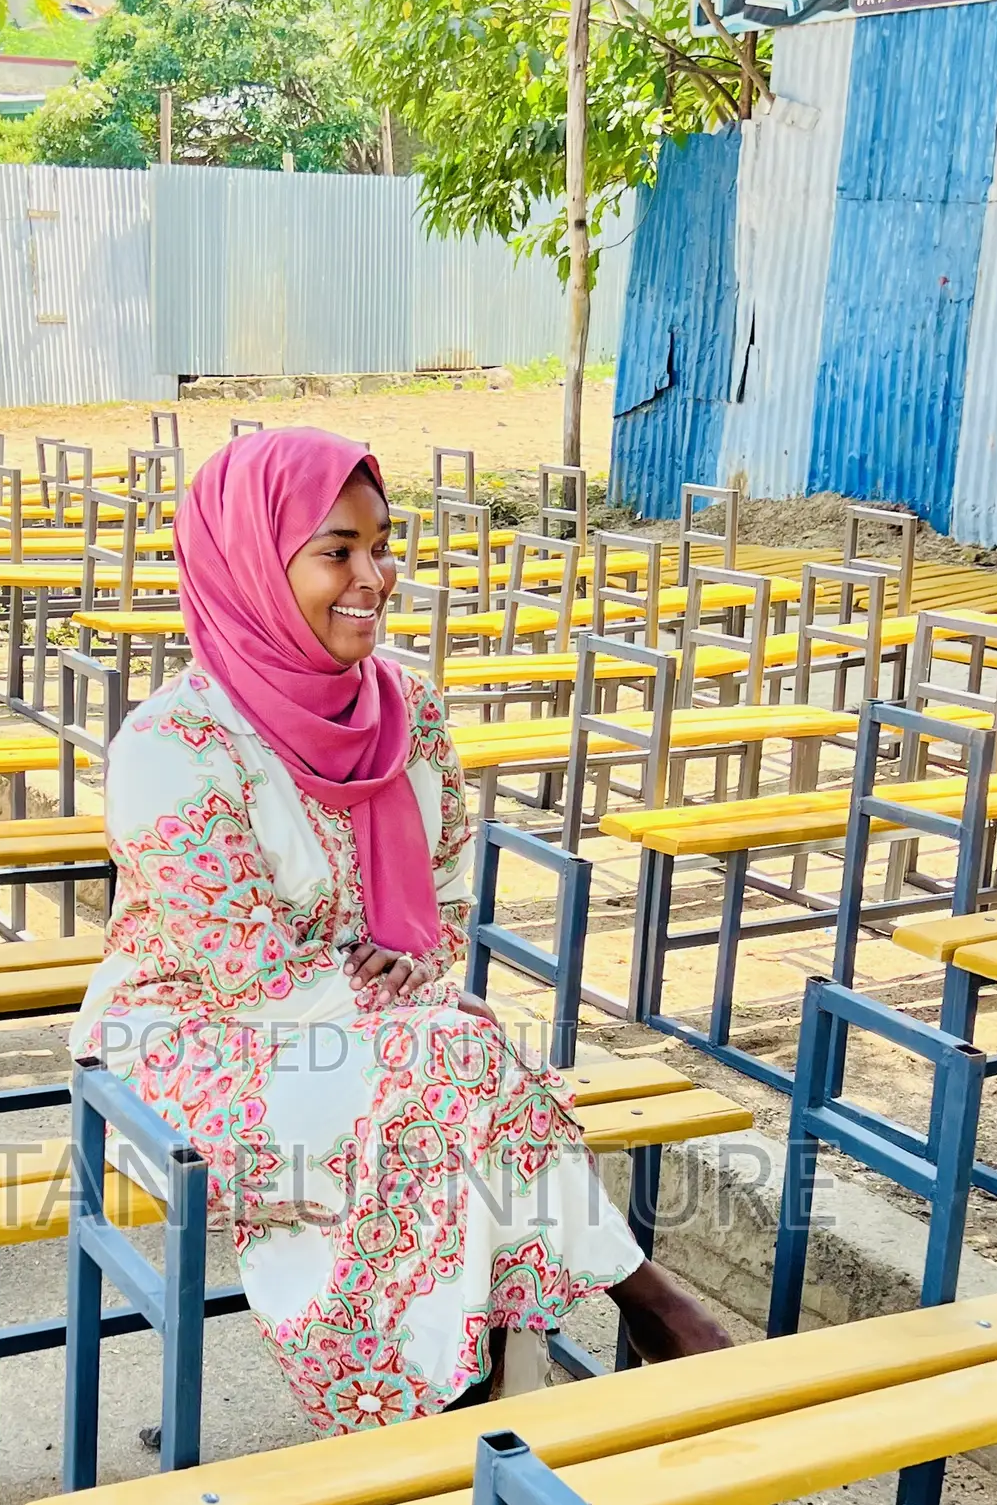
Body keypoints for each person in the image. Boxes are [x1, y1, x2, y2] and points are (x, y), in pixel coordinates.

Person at [70, 426, 728, 1444]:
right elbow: (250, 974)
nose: (373, 577)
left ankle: (445, 1412)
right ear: (252, 562)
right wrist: (414, 1007)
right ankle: (613, 1313)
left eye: (382, 546)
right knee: (451, 1076)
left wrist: (418, 974)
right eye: (336, 551)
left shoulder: (405, 710)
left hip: (395, 1034)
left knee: (442, 1091)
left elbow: (447, 888)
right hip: (193, 1039)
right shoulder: (174, 745)